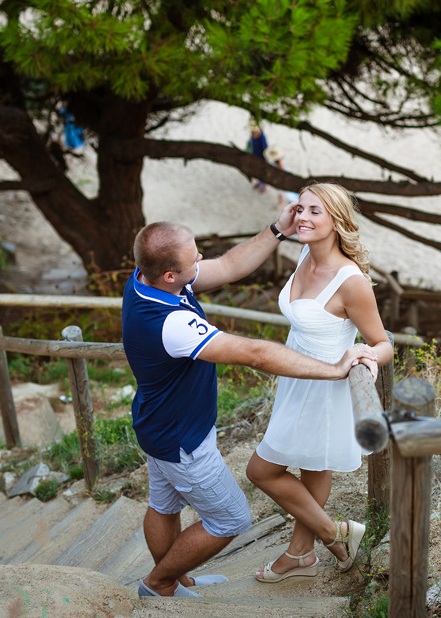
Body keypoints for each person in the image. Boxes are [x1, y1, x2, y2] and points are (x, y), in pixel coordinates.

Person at [122, 210, 379, 599]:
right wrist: (333, 369)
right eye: (194, 260)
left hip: (155, 423)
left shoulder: (147, 278)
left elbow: (227, 265)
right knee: (230, 518)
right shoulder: (169, 321)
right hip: (181, 439)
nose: (201, 263)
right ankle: (158, 585)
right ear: (171, 275)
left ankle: (175, 580)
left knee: (163, 504)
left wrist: (277, 230)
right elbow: (254, 353)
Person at [246, 182, 394, 582]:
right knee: (313, 469)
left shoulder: (351, 281)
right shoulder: (303, 257)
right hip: (297, 380)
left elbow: (383, 343)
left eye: (315, 211)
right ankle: (302, 553)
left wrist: (366, 355)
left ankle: (335, 535)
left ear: (337, 221)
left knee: (260, 470)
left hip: (326, 388)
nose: (303, 217)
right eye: (300, 208)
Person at [247, 119, 269, 192]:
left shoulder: (262, 137)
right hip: (255, 155)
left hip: (261, 157)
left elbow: (265, 148)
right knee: (257, 170)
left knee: (262, 171)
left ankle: (264, 185)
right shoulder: (252, 135)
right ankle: (259, 182)